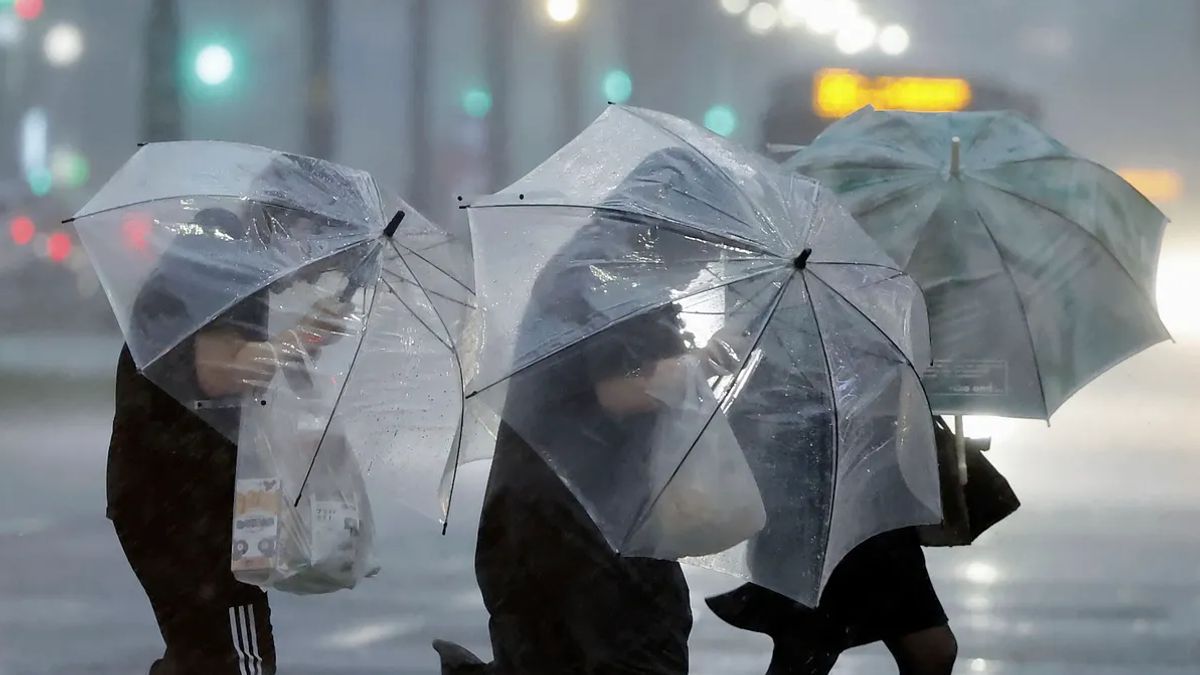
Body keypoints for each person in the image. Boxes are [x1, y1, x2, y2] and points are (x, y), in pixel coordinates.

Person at [435, 148, 768, 674]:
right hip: (581, 519)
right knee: (637, 654)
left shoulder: (603, 268)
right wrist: (702, 363)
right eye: (705, 244)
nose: (707, 261)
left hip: (549, 515)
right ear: (666, 227)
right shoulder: (604, 279)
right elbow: (616, 391)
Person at [106, 204, 350, 675]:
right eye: (317, 251)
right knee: (239, 659)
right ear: (292, 227)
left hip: (176, 492)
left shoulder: (222, 256)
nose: (310, 273)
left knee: (200, 651)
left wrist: (302, 345)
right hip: (181, 498)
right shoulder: (218, 259)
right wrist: (303, 335)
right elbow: (219, 370)